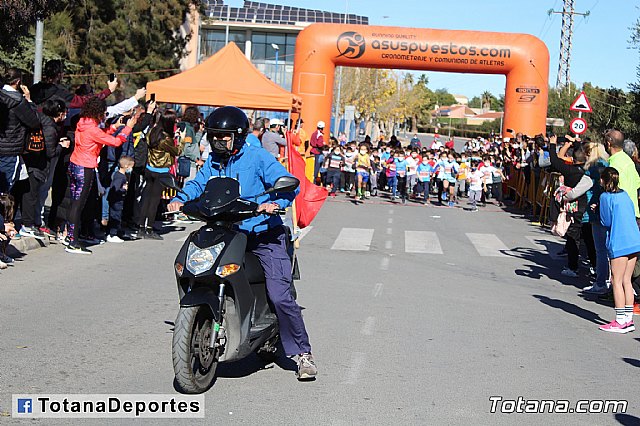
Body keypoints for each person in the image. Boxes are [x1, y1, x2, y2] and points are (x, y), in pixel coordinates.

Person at [167, 106, 316, 380]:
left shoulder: (256, 156)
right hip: (227, 230)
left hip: (263, 235)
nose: (218, 142)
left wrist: (274, 203)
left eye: (224, 137)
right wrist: (181, 198)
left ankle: (303, 353)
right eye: (213, 137)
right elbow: (198, 185)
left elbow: (288, 185)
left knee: (280, 295)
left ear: (237, 136)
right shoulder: (213, 161)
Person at [66, 97, 135, 254]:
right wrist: (127, 128)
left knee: (74, 203)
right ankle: (73, 241)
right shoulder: (93, 129)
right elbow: (116, 142)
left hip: (74, 163)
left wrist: (113, 127)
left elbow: (100, 135)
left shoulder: (83, 122)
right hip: (85, 167)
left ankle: (71, 236)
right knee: (78, 205)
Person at [20, 99, 70, 239]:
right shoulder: (50, 127)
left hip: (33, 163)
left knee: (31, 194)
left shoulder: (43, 121)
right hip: (38, 166)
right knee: (31, 195)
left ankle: (30, 223)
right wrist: (62, 146)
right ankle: (27, 225)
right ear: (59, 114)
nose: (66, 114)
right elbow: (50, 152)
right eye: (64, 112)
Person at [598, 167, 640, 333]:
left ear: (604, 180)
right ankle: (628, 319)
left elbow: (605, 222)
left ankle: (621, 319)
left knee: (616, 280)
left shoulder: (605, 197)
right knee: (627, 281)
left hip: (619, 241)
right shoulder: (625, 196)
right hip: (633, 240)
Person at [136, 109, 180, 240]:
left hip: (150, 168)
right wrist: (179, 139)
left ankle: (140, 227)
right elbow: (177, 151)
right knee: (154, 201)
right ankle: (149, 228)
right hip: (161, 171)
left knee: (146, 198)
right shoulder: (166, 138)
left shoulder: (152, 132)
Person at [549, 135, 588, 277]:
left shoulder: (569, 170)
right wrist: (575, 143)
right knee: (582, 235)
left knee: (573, 235)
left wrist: (552, 144)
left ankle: (573, 267)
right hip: (584, 203)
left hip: (572, 204)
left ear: (573, 159)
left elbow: (554, 161)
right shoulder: (587, 171)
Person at [0, 68, 40, 194]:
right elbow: (34, 122)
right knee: (4, 190)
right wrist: (29, 100)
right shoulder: (18, 101)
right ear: (18, 82)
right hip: (10, 149)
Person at [581, 141, 611, 295]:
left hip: (595, 210)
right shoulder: (607, 164)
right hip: (606, 209)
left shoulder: (592, 168)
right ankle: (606, 280)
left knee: (600, 250)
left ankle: (601, 282)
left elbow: (583, 187)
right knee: (607, 249)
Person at [604, 129, 640, 224]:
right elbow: (637, 183)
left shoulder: (614, 164)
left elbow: (615, 191)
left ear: (608, 144)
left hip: (621, 214)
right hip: (633, 211)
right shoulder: (628, 160)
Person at [106, 156, 134, 243]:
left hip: (117, 200)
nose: (131, 169)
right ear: (126, 166)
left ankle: (117, 232)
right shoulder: (120, 177)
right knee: (115, 217)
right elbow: (116, 189)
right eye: (131, 167)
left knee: (116, 216)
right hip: (116, 201)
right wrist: (124, 189)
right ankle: (112, 234)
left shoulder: (119, 175)